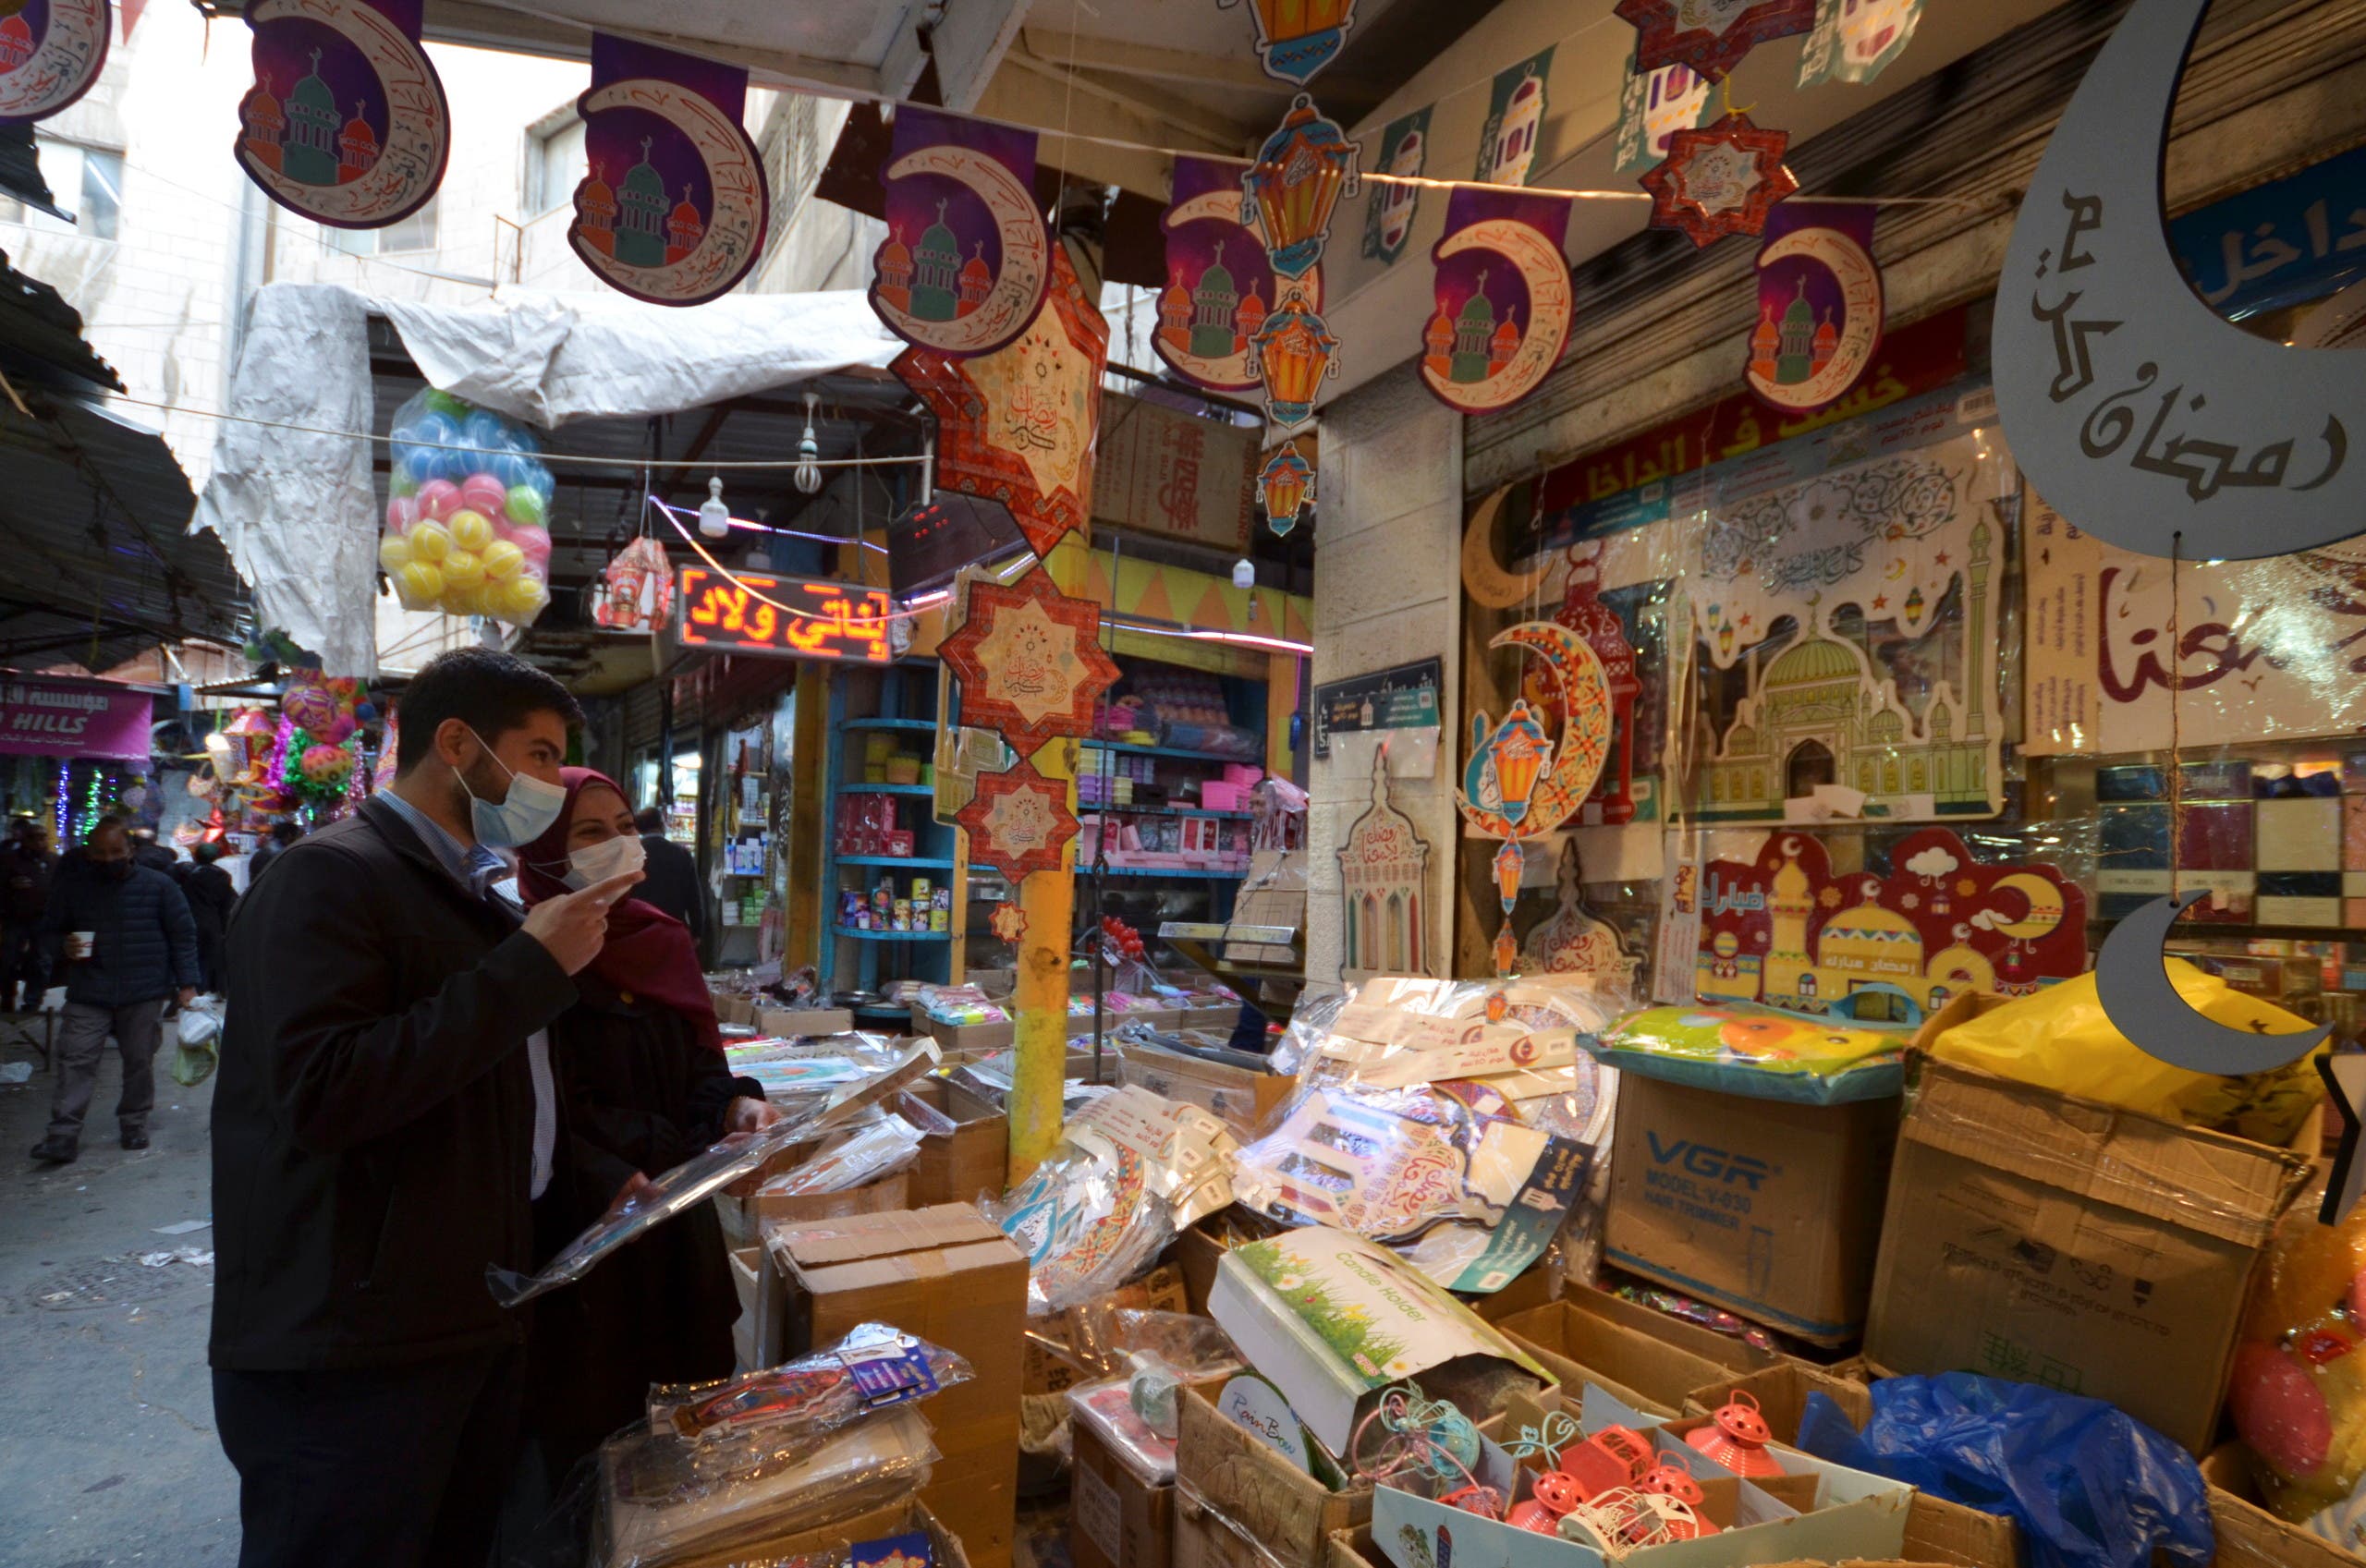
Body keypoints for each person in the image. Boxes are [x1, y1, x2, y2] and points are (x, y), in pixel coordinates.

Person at [210, 647, 640, 1568]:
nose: (547, 782)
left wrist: (584, 1181)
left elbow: (491, 1087)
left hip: (457, 1316)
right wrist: (529, 967)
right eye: (534, 754)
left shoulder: (466, 886)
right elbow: (324, 1093)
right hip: (349, 1346)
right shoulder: (330, 878)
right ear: (456, 743)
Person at [516, 771, 776, 1482]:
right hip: (581, 1244)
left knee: (690, 1430)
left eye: (627, 826)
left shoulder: (660, 939)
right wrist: (602, 1171)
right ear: (541, 850)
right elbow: (516, 1111)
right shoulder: (520, 959)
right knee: (592, 1451)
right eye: (591, 832)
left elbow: (700, 1070)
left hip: (676, 1233)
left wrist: (734, 1108)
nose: (621, 844)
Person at [30, 820, 200, 1163]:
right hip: (90, 990)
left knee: (139, 1061)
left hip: (143, 990)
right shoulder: (73, 888)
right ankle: (62, 1135)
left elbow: (183, 935)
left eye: (116, 852)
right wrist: (64, 945)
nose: (109, 859)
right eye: (100, 854)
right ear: (89, 854)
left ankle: (134, 1122)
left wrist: (187, 986)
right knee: (76, 1059)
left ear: (130, 851)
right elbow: (48, 931)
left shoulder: (160, 887)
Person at [0, 816, 54, 1013]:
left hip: (43, 919)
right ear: (25, 839)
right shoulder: (9, 861)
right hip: (15, 918)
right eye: (34, 838)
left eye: (43, 838)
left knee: (41, 960)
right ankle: (7, 996)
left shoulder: (53, 861)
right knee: (8, 959)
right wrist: (10, 888)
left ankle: (33, 1000)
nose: (40, 842)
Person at [632, 805, 705, 942]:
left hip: (639, 930)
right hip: (673, 929)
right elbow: (694, 897)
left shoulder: (631, 854)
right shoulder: (681, 854)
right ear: (661, 824)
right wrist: (697, 932)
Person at [182, 840, 239, 995]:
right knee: (214, 956)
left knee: (195, 956)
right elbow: (226, 902)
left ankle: (197, 988)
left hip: (190, 920)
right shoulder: (223, 876)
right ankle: (218, 988)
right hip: (213, 921)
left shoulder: (186, 874)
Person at [244, 820, 301, 887]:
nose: (300, 839)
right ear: (289, 835)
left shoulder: (264, 852)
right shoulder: (281, 855)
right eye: (298, 836)